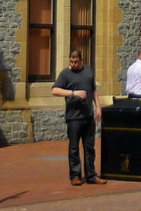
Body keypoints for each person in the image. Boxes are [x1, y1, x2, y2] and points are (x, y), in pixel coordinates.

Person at [51, 49, 106, 186]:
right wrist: (73, 93)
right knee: (74, 148)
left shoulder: (88, 71)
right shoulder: (65, 74)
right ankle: (75, 175)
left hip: (88, 116)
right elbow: (55, 90)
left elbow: (93, 90)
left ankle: (91, 175)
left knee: (90, 148)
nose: (73, 64)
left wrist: (98, 107)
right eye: (71, 61)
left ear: (81, 60)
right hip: (73, 118)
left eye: (76, 62)